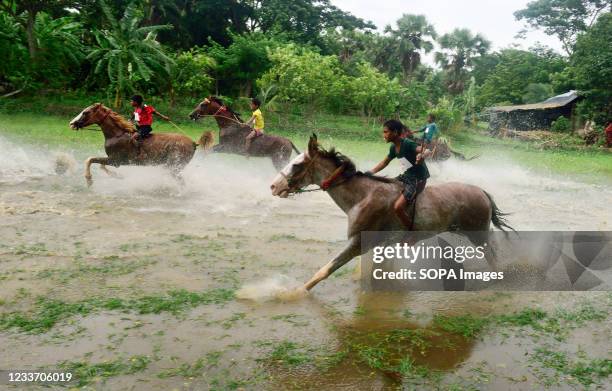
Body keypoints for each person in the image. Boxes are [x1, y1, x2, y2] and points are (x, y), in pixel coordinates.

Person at [367, 119, 432, 229]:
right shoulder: (393, 148)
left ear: (395, 132)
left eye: (386, 132)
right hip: (406, 176)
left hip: (418, 179)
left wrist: (422, 155)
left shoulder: (407, 143)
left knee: (398, 207)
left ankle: (412, 232)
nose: (384, 135)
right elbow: (384, 162)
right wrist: (369, 173)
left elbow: (425, 150)